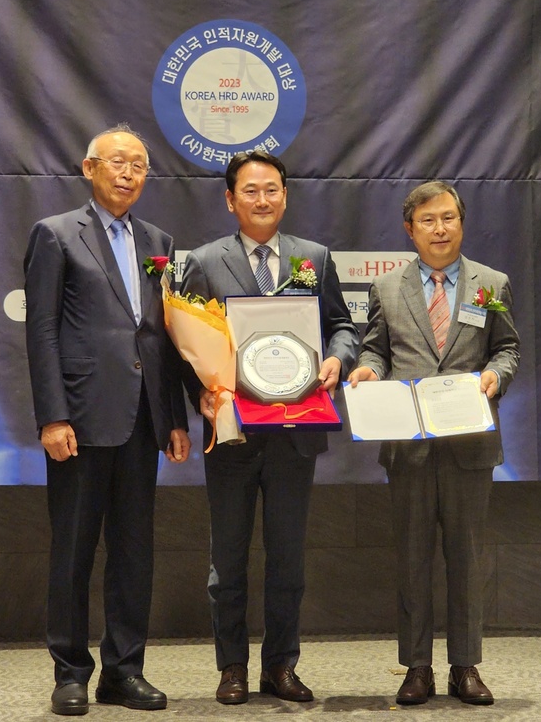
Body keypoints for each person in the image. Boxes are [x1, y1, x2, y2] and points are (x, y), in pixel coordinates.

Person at [181, 150, 360, 705]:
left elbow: (342, 326)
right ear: (230, 199)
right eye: (251, 191)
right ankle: (231, 666)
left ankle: (281, 665)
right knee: (227, 560)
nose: (263, 200)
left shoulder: (315, 257)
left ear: (286, 195)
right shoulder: (206, 261)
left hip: (295, 433)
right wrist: (204, 398)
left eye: (273, 190)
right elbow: (182, 347)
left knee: (287, 558)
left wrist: (338, 359)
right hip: (232, 434)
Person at [24, 124, 191, 716]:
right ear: (88, 167)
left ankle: (124, 670)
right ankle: (70, 671)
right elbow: (42, 331)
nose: (128, 173)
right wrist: (52, 416)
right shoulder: (56, 235)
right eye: (117, 162)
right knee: (72, 549)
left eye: (139, 166)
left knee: (133, 551)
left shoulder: (158, 241)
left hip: (143, 421)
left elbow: (162, 338)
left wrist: (173, 417)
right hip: (80, 417)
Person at [349, 180, 520, 707]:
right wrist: (366, 371)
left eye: (448, 218)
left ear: (461, 223)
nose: (440, 228)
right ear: (410, 229)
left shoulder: (491, 283)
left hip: (470, 444)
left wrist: (495, 377)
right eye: (428, 220)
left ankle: (465, 666)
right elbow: (377, 351)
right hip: (410, 448)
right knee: (413, 557)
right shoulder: (387, 288)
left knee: (466, 557)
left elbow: (507, 349)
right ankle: (417, 667)